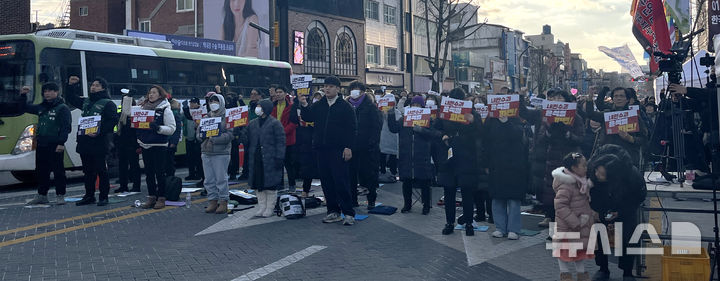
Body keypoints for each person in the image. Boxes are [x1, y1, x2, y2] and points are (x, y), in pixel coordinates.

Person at [520, 90, 585, 229]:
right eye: (553, 97)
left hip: (568, 159)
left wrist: (569, 135)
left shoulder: (576, 117)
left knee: (567, 191)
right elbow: (538, 134)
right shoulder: (542, 114)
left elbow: (581, 138)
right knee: (549, 190)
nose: (556, 99)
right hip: (548, 159)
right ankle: (549, 217)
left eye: (559, 97)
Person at [298, 76, 358, 226]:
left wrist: (348, 147)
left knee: (341, 181)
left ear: (338, 89)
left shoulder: (345, 106)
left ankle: (348, 213)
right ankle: (333, 211)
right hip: (321, 148)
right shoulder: (320, 105)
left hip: (338, 149)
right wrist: (304, 104)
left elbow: (352, 129)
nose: (327, 89)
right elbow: (308, 116)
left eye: (331, 86)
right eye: (326, 86)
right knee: (326, 182)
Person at [588, 145, 646, 281]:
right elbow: (583, 191)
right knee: (598, 233)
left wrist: (620, 212)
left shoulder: (632, 176)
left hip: (624, 205)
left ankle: (627, 272)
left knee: (630, 235)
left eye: (601, 174)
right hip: (600, 203)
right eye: (597, 171)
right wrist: (592, 210)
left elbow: (638, 198)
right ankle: (603, 268)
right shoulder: (591, 169)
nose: (597, 175)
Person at [434, 88, 482, 236]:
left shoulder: (471, 113)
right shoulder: (444, 113)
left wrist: (473, 121)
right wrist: (443, 135)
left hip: (466, 157)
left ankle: (468, 223)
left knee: (466, 192)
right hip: (449, 157)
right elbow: (436, 129)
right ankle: (450, 222)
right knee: (449, 192)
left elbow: (480, 132)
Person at [65, 76, 118, 206]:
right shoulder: (86, 102)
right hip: (85, 141)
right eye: (92, 85)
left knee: (101, 169)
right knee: (88, 171)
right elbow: (71, 99)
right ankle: (89, 195)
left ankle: (103, 196)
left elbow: (112, 121)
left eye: (97, 85)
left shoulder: (108, 103)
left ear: (103, 88)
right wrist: (71, 86)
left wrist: (99, 131)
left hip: (99, 141)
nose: (93, 87)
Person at [20, 82, 72, 205]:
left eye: (50, 91)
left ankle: (60, 195)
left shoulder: (62, 108)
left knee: (58, 171)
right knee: (42, 171)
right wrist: (23, 96)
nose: (47, 94)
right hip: (42, 143)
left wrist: (61, 143)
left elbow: (66, 127)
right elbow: (25, 108)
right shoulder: (41, 107)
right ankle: (42, 195)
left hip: (55, 144)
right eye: (45, 91)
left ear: (56, 92)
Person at [387, 96, 439, 215]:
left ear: (422, 107)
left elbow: (434, 134)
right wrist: (390, 113)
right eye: (413, 105)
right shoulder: (403, 119)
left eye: (418, 105)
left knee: (425, 182)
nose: (415, 107)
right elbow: (393, 128)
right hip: (406, 156)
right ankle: (407, 204)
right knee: (406, 182)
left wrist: (421, 130)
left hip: (422, 156)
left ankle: (426, 205)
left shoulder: (428, 120)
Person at [484, 113, 529, 240]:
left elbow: (518, 135)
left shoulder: (516, 119)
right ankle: (500, 227)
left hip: (514, 164)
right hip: (496, 163)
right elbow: (485, 141)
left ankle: (513, 229)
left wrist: (506, 122)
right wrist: (486, 162)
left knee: (513, 198)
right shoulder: (490, 120)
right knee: (497, 197)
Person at [551, 153, 594, 281]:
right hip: (567, 227)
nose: (586, 168)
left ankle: (581, 275)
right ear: (574, 168)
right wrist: (576, 222)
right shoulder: (566, 185)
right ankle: (565, 275)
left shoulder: (581, 182)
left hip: (579, 226)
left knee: (578, 251)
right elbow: (560, 206)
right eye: (583, 165)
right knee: (563, 251)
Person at [585, 87, 648, 167]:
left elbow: (644, 138)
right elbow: (590, 114)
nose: (619, 98)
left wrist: (630, 138)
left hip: (628, 158)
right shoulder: (607, 114)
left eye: (622, 96)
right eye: (616, 96)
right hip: (607, 157)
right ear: (613, 99)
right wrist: (590, 97)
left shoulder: (634, 116)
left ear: (627, 99)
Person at [136, 86, 177, 209]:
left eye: (154, 93)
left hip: (159, 145)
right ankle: (151, 197)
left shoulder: (165, 109)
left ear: (160, 95)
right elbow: (128, 113)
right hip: (145, 144)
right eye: (150, 93)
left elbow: (171, 128)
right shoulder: (142, 108)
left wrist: (158, 128)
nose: (151, 95)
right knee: (149, 173)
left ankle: (161, 198)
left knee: (160, 173)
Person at [246, 99, 286, 217]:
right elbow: (246, 139)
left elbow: (281, 141)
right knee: (258, 184)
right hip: (256, 158)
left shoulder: (275, 123)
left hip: (270, 158)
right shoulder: (252, 123)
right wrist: (239, 131)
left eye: (260, 106)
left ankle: (270, 208)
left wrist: (280, 157)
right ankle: (261, 206)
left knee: (270, 185)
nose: (257, 108)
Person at [347, 82, 382, 209]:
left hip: (367, 148)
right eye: (352, 90)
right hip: (351, 147)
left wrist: (372, 143)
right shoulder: (347, 106)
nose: (354, 92)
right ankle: (353, 199)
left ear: (362, 92)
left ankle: (371, 200)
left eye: (357, 90)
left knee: (369, 175)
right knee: (351, 175)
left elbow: (376, 127)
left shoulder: (370, 107)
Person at [199, 93, 234, 214]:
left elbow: (230, 135)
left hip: (221, 152)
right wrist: (201, 134)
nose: (213, 104)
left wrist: (214, 138)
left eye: (216, 101)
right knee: (209, 179)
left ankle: (223, 201)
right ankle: (212, 201)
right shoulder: (207, 116)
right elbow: (199, 133)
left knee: (221, 178)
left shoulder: (227, 117)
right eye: (211, 102)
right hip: (206, 151)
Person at [272, 86, 299, 191]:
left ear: (285, 94)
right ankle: (280, 184)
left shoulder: (291, 106)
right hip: (275, 140)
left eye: (280, 92)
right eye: (277, 92)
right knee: (278, 163)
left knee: (289, 163)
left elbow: (294, 123)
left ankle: (292, 184)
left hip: (288, 140)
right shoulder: (272, 106)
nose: (278, 94)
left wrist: (282, 132)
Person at [115, 89, 142, 193]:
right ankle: (123, 186)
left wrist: (138, 144)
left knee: (134, 165)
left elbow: (138, 129)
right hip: (122, 142)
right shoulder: (120, 111)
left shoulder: (136, 112)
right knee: (122, 166)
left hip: (133, 143)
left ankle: (136, 186)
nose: (123, 101)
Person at [295, 92, 320, 197]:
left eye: (319, 98)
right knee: (307, 169)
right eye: (315, 98)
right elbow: (306, 116)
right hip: (308, 144)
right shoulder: (310, 110)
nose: (316, 100)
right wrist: (304, 103)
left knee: (323, 170)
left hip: (320, 144)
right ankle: (305, 190)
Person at [182, 97, 204, 181]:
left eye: (193, 103)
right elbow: (187, 116)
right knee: (189, 157)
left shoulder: (202, 111)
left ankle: (199, 174)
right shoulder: (188, 112)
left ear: (197, 103)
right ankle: (191, 173)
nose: (191, 104)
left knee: (198, 157)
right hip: (189, 137)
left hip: (198, 138)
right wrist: (185, 108)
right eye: (190, 103)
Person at [379, 90, 399, 178]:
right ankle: (382, 170)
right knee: (382, 154)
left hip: (393, 136)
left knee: (392, 155)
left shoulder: (397, 112)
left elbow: (398, 123)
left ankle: (393, 171)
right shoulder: (380, 112)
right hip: (383, 136)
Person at [165, 95, 183, 177]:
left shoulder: (175, 114)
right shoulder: (166, 112)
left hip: (170, 142)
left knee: (169, 162)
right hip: (166, 141)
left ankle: (170, 179)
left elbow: (177, 130)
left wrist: (174, 142)